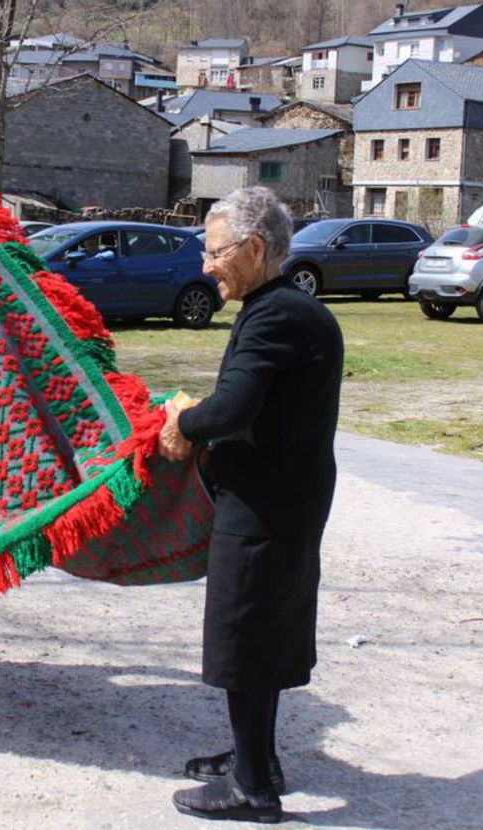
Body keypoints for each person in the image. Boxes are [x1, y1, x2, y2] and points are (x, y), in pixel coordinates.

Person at [159, 187, 344, 823]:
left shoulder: (277, 315)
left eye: (215, 253)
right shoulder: (282, 306)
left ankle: (254, 791)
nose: (205, 266)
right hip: (285, 496)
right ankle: (255, 759)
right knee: (263, 633)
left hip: (267, 506)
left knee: (244, 634)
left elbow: (233, 408)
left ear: (256, 248)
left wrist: (183, 422)